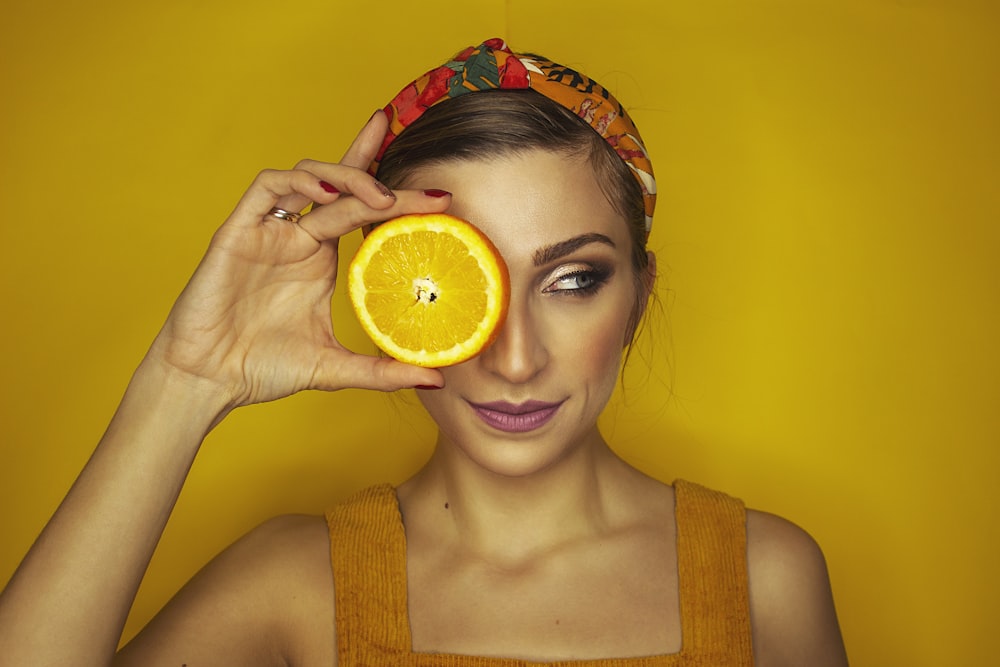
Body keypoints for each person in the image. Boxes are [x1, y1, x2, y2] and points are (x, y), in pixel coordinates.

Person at [0, 39, 848, 666]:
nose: (514, 359)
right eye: (460, 280)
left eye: (572, 279)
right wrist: (186, 380)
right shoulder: (295, 586)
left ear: (638, 298)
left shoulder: (762, 577)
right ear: (393, 294)